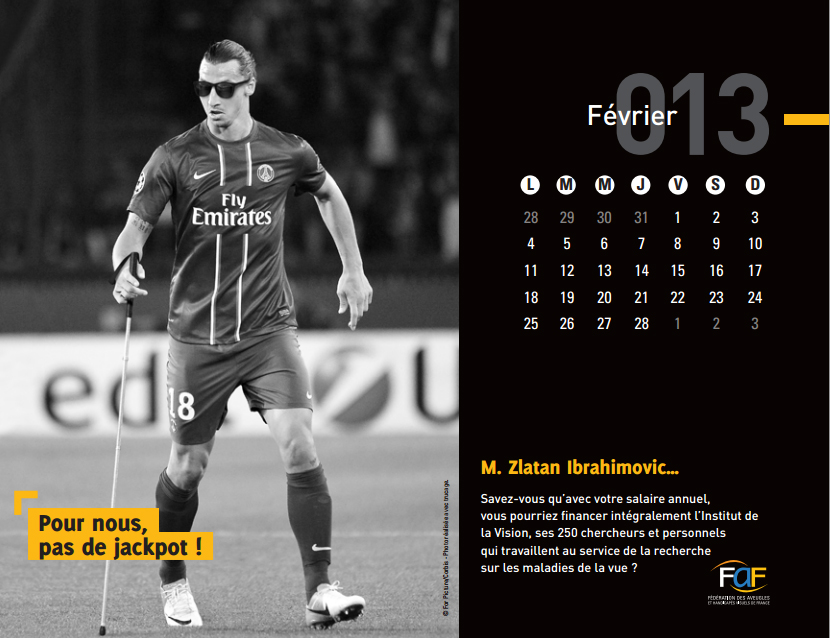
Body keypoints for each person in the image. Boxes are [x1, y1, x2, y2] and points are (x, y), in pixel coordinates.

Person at [111, 40, 372, 630]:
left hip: (267, 331)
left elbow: (329, 194)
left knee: (300, 444)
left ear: (250, 87)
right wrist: (125, 265)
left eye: (224, 88)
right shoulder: (175, 157)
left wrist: (352, 269)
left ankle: (320, 590)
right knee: (187, 466)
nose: (212, 99)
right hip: (197, 338)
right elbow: (135, 228)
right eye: (203, 88)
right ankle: (173, 581)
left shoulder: (287, 151)